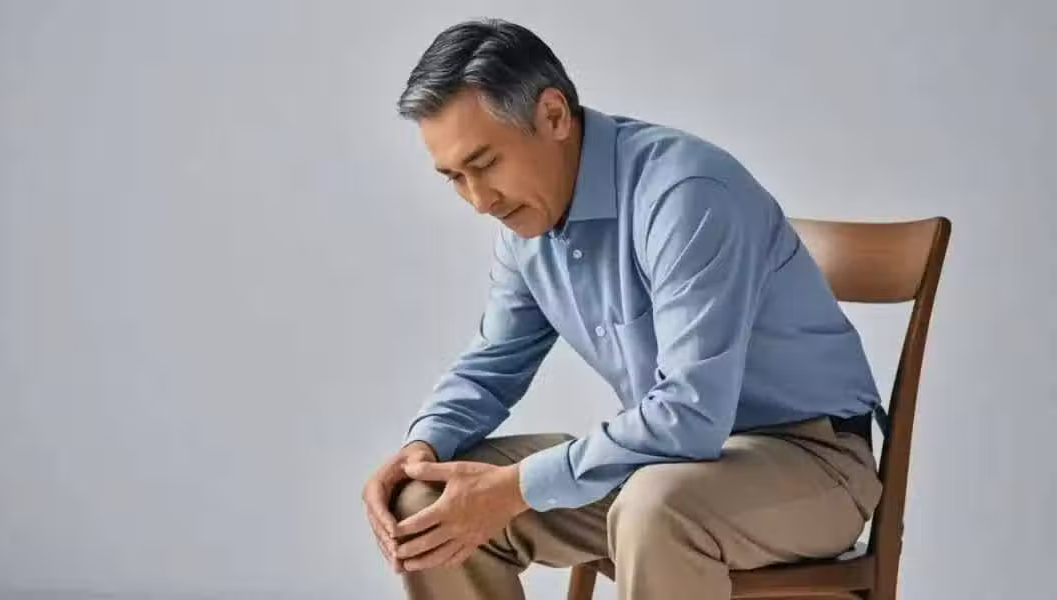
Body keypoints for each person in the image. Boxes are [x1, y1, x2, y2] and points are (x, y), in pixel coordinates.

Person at [361, 18, 883, 600]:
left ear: (553, 116)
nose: (479, 201)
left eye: (485, 164)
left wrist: (516, 487)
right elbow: (493, 364)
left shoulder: (685, 195)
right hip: (662, 467)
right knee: (424, 505)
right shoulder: (526, 226)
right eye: (455, 178)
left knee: (654, 510)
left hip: (813, 463)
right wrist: (422, 448)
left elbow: (690, 413)